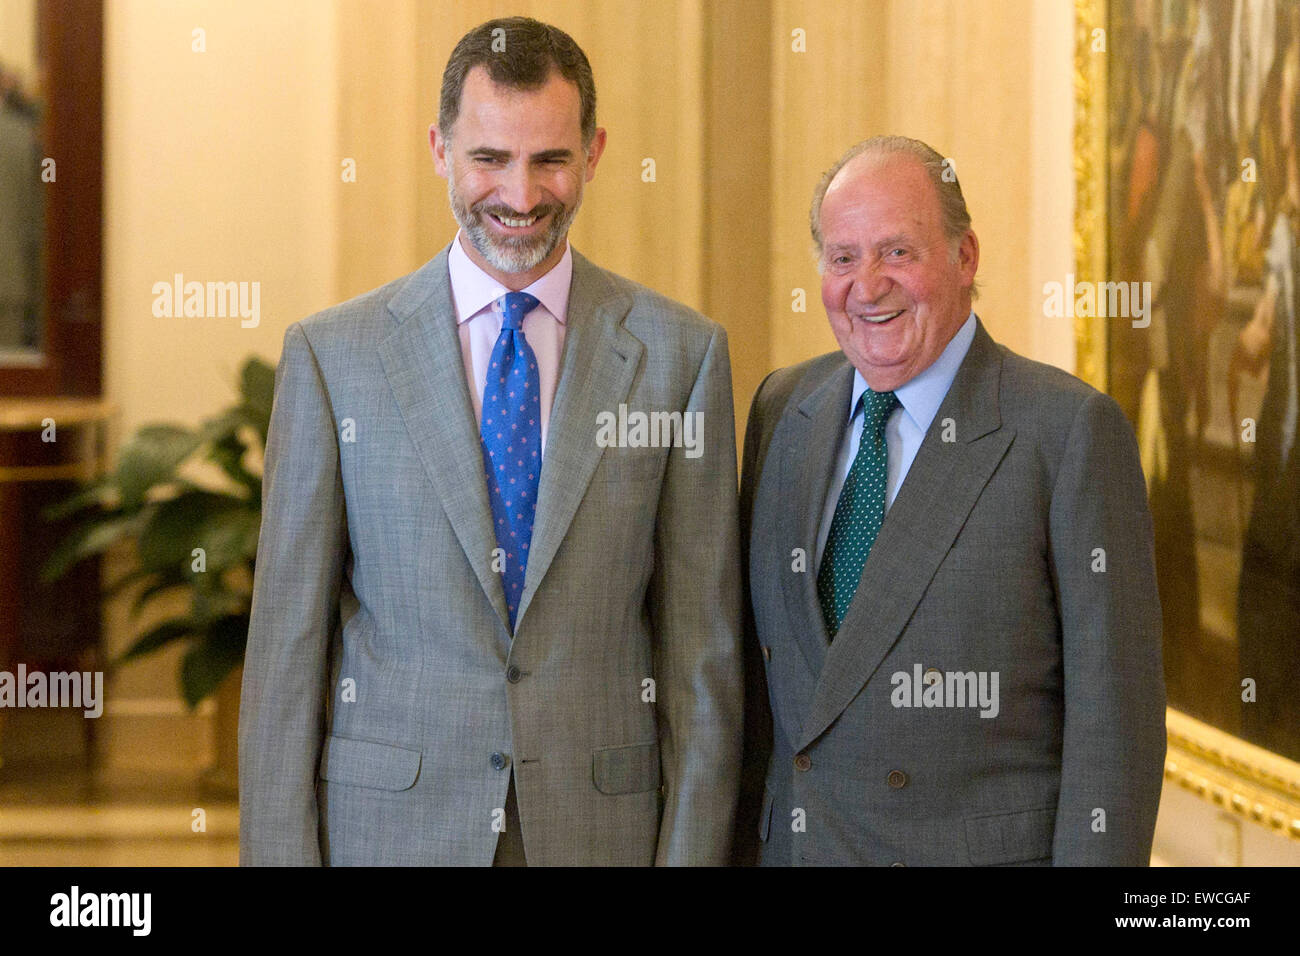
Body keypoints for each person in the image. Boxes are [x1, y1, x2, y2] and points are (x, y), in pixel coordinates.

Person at [239, 17, 742, 866]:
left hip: (601, 832)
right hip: (391, 832)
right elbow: (287, 653)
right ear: (439, 148)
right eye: (489, 159)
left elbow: (702, 656)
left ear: (595, 152)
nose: (520, 194)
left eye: (550, 159)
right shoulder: (334, 358)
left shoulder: (681, 358)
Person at [735, 135, 1166, 866]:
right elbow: (755, 696)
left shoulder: (1066, 435)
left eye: (896, 252)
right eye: (842, 258)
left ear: (965, 257)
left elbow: (1114, 734)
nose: (866, 286)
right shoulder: (783, 407)